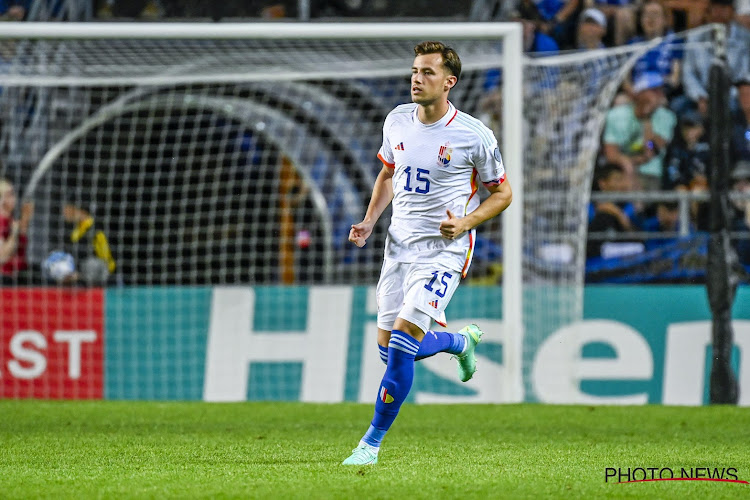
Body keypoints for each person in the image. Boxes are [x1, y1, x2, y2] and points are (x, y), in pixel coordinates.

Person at [343, 41, 512, 466]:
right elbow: (387, 173)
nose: (417, 78)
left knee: (400, 346)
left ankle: (370, 444)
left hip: (445, 249)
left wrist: (466, 223)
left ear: (449, 82)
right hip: (398, 247)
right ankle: (458, 341)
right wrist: (368, 220)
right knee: (388, 351)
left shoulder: (474, 135)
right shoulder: (397, 119)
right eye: (415, 71)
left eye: (428, 72)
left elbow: (503, 193)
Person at [603, 72, 677, 191]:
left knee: (636, 184)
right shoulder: (616, 115)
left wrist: (647, 120)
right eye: (654, 91)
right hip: (620, 171)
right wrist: (626, 163)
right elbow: (611, 154)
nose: (660, 95)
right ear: (640, 93)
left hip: (649, 174)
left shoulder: (666, 117)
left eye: (661, 91)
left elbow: (650, 149)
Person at [681, 0, 750, 117]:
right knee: (679, 106)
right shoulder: (694, 37)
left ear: (732, 12)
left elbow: (744, 76)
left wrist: (720, 100)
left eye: (724, 8)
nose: (719, 13)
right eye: (715, 8)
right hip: (701, 97)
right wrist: (701, 97)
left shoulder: (745, 38)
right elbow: (688, 74)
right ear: (708, 11)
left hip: (733, 98)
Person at [586, 163, 642, 259]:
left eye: (622, 180)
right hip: (594, 251)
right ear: (602, 183)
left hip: (619, 249)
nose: (621, 184)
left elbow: (637, 237)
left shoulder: (627, 206)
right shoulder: (589, 205)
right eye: (617, 180)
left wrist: (617, 213)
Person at [0, 177, 33, 284]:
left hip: (19, 274)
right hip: (5, 278)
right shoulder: (1, 222)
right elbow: (2, 257)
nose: (14, 197)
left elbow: (21, 247)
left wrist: (25, 219)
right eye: (10, 194)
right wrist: (14, 232)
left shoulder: (11, 220)